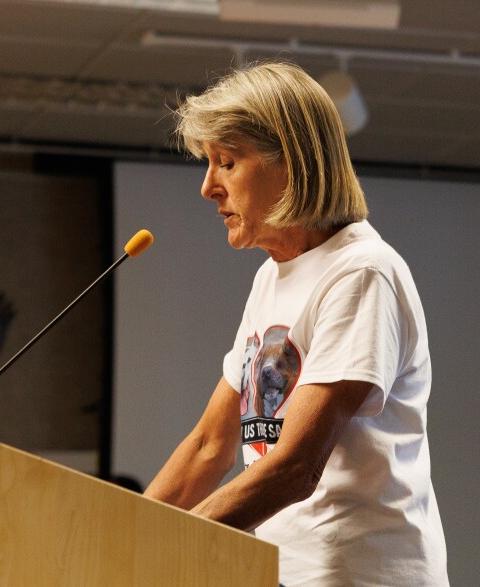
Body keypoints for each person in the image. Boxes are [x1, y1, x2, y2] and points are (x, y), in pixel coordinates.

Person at [143, 62, 448, 585]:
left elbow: (294, 468)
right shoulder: (271, 277)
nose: (208, 187)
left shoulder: (361, 272)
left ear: (291, 162)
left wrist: (167, 545)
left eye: (227, 162)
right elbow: (210, 446)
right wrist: (126, 534)